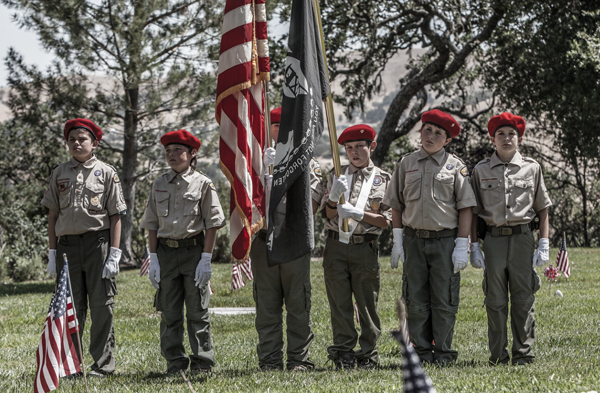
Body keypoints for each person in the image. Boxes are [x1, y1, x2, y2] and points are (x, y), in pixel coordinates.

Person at [383, 109, 476, 365]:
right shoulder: (406, 163)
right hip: (414, 241)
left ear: (447, 140)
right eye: (427, 130)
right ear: (420, 132)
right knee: (415, 299)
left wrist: (461, 245)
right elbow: (396, 204)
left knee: (444, 298)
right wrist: (398, 240)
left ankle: (444, 352)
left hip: (445, 242)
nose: (431, 136)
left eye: (438, 133)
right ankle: (421, 352)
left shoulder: (456, 167)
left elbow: (466, 206)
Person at [42, 118, 127, 377]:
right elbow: (53, 216)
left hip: (97, 244)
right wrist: (52, 253)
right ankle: (70, 366)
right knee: (70, 306)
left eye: (82, 139)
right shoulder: (59, 173)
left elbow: (116, 216)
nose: (77, 143)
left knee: (101, 306)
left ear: (95, 143)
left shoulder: (106, 172)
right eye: (72, 139)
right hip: (67, 247)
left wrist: (114, 253)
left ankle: (102, 365)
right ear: (67, 143)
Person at [469, 112, 552, 365]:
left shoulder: (532, 167)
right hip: (493, 240)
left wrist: (544, 243)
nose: (506, 138)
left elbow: (542, 208)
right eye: (501, 134)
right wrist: (473, 246)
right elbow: (473, 212)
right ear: (492, 139)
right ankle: (497, 356)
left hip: (523, 239)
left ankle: (524, 353)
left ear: (520, 138)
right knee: (494, 300)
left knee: (523, 298)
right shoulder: (481, 170)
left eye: (511, 134)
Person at [140, 129, 225, 374]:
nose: (172, 155)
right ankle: (175, 363)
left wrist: (206, 259)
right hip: (166, 253)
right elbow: (152, 224)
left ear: (192, 153)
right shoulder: (159, 185)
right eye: (168, 151)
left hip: (193, 252)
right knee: (169, 312)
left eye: (178, 150)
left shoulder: (203, 183)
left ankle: (202, 363)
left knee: (198, 311)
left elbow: (212, 223)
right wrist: (153, 258)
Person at [250, 107, 323, 371]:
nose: (279, 131)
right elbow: (246, 202)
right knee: (266, 306)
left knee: (298, 305)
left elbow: (311, 207)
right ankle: (269, 361)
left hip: (293, 239)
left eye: (284, 126)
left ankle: (299, 360)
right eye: (275, 126)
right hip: (263, 240)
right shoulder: (257, 161)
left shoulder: (307, 163)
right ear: (268, 129)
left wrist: (284, 177)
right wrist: (261, 174)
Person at [321, 124, 392, 370]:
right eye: (349, 148)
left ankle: (368, 353)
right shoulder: (336, 175)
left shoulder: (384, 179)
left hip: (365, 246)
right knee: (339, 303)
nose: (354, 152)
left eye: (359, 147)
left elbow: (386, 220)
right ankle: (343, 352)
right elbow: (326, 214)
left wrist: (359, 214)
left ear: (371, 146)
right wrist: (332, 198)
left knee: (367, 303)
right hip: (336, 245)